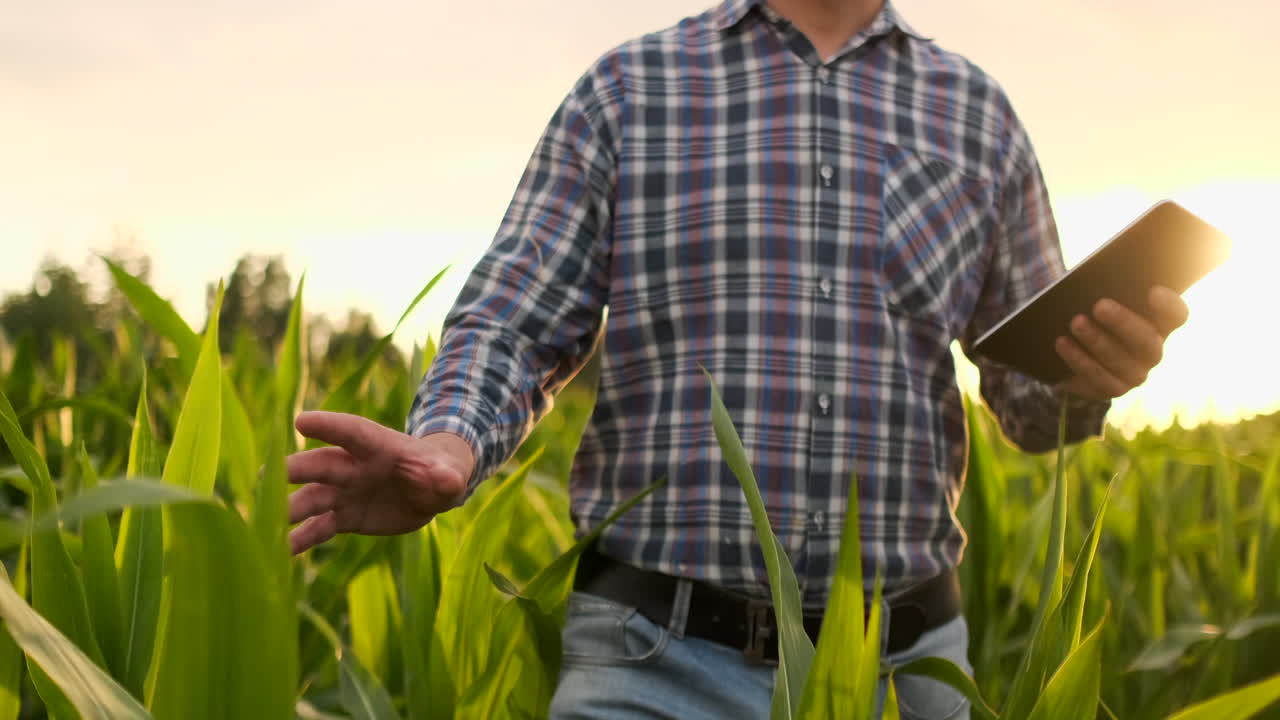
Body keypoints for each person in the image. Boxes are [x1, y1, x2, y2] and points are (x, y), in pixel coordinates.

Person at [285, 0, 1189, 717]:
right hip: (653, 666)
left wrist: (1092, 370)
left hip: (902, 676)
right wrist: (449, 445)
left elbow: (1031, 405)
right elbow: (514, 322)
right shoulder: (630, 90)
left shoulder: (978, 116)